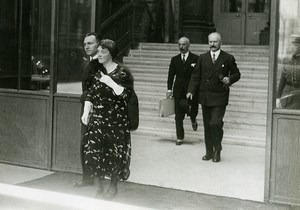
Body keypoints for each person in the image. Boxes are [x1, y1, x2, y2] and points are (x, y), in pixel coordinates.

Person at [81, 39, 133, 200]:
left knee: (114, 154)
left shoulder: (122, 72)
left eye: (103, 52)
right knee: (93, 152)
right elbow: (90, 92)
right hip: (97, 118)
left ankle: (113, 187)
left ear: (111, 54)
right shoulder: (97, 71)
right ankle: (98, 187)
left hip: (116, 120)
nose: (100, 54)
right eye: (99, 52)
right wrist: (86, 108)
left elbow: (127, 95)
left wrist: (111, 83)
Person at [187, 32, 241, 162]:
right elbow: (195, 76)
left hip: (219, 96)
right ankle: (209, 152)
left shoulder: (228, 58)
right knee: (207, 125)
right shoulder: (202, 57)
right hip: (205, 96)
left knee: (215, 123)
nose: (212, 44)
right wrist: (190, 91)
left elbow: (237, 74)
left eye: (215, 42)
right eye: (210, 42)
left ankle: (218, 149)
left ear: (220, 43)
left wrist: (230, 79)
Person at [75, 32, 101, 187]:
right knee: (84, 142)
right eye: (85, 44)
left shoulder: (102, 64)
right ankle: (87, 179)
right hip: (86, 108)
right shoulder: (86, 64)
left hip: (98, 109)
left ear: (98, 44)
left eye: (90, 43)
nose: (86, 46)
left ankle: (97, 179)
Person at [167, 37, 199, 146]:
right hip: (178, 90)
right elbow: (171, 75)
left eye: (184, 44)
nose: (181, 47)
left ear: (188, 45)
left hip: (192, 91)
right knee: (178, 115)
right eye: (179, 44)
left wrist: (194, 89)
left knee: (192, 110)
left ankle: (193, 120)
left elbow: (198, 76)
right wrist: (169, 89)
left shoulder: (196, 58)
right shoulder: (175, 59)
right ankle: (179, 137)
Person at [276, 35, 300, 109]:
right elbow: (282, 80)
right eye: (292, 45)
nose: (292, 48)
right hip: (288, 96)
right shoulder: (286, 60)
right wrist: (278, 98)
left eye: (295, 45)